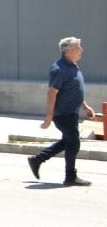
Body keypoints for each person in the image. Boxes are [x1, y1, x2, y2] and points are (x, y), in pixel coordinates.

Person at [28, 36, 98, 186]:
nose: (81, 50)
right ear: (69, 51)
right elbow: (52, 92)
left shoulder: (72, 66)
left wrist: (85, 106)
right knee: (74, 142)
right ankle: (70, 176)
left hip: (71, 113)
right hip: (63, 114)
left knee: (68, 141)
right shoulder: (59, 69)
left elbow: (73, 90)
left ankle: (37, 159)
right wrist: (49, 115)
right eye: (78, 48)